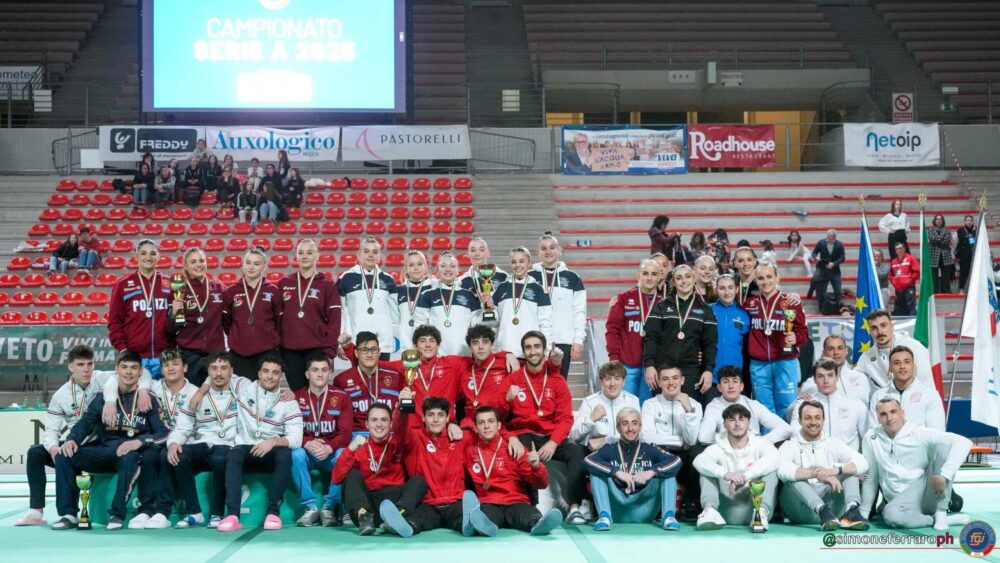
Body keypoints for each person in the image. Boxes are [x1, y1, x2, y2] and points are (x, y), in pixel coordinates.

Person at [16, 346, 139, 526]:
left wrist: (127, 393)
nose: (86, 369)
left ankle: (73, 511)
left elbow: (133, 374)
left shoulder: (103, 379)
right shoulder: (61, 395)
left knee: (69, 452)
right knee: (35, 453)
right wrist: (52, 448)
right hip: (75, 442)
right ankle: (37, 511)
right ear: (70, 367)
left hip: (100, 442)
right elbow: (51, 429)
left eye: (90, 364)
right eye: (80, 364)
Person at [51, 351, 168, 530]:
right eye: (124, 367)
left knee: (131, 457)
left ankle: (116, 514)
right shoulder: (103, 398)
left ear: (140, 373)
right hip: (103, 450)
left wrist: (139, 442)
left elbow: (164, 432)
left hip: (130, 454)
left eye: (133, 368)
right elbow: (85, 424)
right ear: (116, 370)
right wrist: (72, 440)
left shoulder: (149, 398)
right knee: (64, 455)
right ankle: (69, 514)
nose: (129, 372)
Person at [104, 348, 199, 529]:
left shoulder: (195, 392)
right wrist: (142, 389)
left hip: (185, 441)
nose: (171, 368)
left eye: (175, 364)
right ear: (161, 370)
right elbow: (122, 377)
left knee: (165, 455)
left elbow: (187, 427)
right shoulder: (153, 386)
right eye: (166, 365)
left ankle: (163, 511)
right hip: (158, 438)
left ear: (185, 367)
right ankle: (146, 510)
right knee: (148, 455)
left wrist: (173, 441)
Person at [212, 355, 303, 532]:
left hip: (270, 450)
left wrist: (274, 441)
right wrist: (201, 391)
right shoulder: (244, 387)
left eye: (275, 373)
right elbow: (216, 374)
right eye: (266, 371)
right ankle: (232, 516)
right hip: (246, 448)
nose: (270, 376)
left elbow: (296, 438)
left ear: (281, 376)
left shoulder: (289, 402)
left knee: (285, 454)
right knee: (234, 452)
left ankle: (273, 514)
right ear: (259, 373)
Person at [389, 394, 501, 537]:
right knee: (416, 520)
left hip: (455, 503)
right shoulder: (414, 439)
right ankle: (403, 526)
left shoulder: (460, 437)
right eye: (430, 415)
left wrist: (511, 438)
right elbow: (400, 429)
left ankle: (471, 525)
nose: (436, 420)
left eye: (441, 415)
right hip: (428, 504)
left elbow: (487, 431)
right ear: (423, 417)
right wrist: (402, 407)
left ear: (448, 418)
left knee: (463, 517)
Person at [505, 333, 588, 523]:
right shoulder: (514, 379)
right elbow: (501, 416)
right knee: (523, 450)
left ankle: (575, 507)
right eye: (528, 347)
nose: (532, 351)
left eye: (536, 347)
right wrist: (507, 400)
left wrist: (553, 442)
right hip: (524, 433)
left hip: (551, 436)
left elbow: (566, 418)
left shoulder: (557, 380)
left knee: (575, 452)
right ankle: (531, 509)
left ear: (544, 351)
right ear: (523, 352)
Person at [860, 397, 972, 530]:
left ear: (902, 413)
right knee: (891, 516)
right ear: (878, 418)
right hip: (899, 502)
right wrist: (863, 514)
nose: (889, 418)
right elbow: (871, 478)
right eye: (883, 414)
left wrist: (944, 475)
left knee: (943, 446)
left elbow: (964, 442)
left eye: (893, 412)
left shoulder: (919, 433)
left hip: (926, 491)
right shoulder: (871, 438)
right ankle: (934, 519)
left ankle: (941, 514)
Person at [164, 352, 239, 529]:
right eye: (214, 368)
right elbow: (183, 427)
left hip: (228, 445)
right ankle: (194, 513)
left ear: (231, 371)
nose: (218, 373)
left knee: (221, 459)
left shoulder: (241, 392)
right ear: (208, 372)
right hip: (203, 443)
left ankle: (217, 513)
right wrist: (173, 443)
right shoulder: (196, 397)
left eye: (223, 368)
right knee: (179, 456)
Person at [464, 406, 563, 536]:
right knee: (486, 516)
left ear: (499, 425)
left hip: (516, 501)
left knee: (529, 515)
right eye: (481, 423)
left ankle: (539, 523)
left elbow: (541, 484)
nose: (486, 426)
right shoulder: (470, 452)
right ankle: (484, 527)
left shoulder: (515, 448)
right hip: (489, 502)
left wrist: (536, 466)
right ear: (476, 428)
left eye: (491, 421)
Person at [331, 403, 428, 535]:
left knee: (419, 481)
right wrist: (350, 449)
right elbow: (336, 479)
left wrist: (400, 410)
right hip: (368, 504)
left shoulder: (399, 443)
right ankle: (364, 518)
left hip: (394, 502)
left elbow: (404, 428)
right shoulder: (359, 447)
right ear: (366, 424)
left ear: (391, 423)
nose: (379, 424)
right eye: (374, 420)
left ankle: (397, 516)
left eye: (384, 420)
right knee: (351, 474)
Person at [585, 408, 683, 531]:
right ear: (618, 428)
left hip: (644, 509)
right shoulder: (610, 449)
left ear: (640, 427)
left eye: (634, 423)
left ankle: (669, 516)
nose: (630, 428)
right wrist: (616, 472)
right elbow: (588, 460)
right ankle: (603, 516)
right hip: (616, 510)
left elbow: (676, 461)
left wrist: (651, 472)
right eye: (625, 423)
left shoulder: (649, 449)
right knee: (597, 472)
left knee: (667, 472)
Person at [778, 401, 869, 530]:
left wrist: (836, 471)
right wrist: (818, 474)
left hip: (833, 514)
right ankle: (821, 510)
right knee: (792, 477)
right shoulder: (790, 445)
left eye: (817, 418)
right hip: (801, 511)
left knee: (850, 470)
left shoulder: (834, 444)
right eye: (808, 418)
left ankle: (852, 511)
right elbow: (781, 469)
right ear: (799, 420)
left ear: (823, 420)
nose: (813, 422)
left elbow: (863, 462)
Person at [693, 403, 780, 531]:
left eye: (742, 419)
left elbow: (774, 458)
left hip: (753, 507)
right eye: (732, 420)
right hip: (726, 509)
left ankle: (760, 514)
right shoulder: (717, 447)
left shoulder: (760, 444)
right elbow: (698, 461)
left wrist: (745, 476)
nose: (737, 424)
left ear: (749, 423)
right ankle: (710, 510)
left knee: (771, 470)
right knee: (706, 469)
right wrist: (727, 475)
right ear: (725, 424)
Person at [292, 353, 353, 527]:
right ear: (307, 374)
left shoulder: (342, 397)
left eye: (324, 370)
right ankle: (310, 508)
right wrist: (306, 443)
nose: (320, 374)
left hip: (330, 453)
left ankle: (329, 507)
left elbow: (346, 433)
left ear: (330, 373)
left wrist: (329, 447)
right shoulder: (297, 397)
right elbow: (291, 430)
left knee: (344, 454)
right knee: (295, 454)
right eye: (315, 370)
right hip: (308, 453)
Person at [642, 265, 718, 405]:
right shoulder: (661, 307)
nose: (684, 281)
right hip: (663, 369)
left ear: (694, 278)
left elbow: (710, 344)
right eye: (679, 278)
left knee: (689, 412)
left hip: (690, 370)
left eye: (688, 277)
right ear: (673, 282)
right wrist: (649, 365)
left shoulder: (705, 310)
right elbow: (651, 338)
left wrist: (708, 370)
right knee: (663, 413)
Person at [640, 365, 704, 521]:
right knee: (655, 449)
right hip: (664, 454)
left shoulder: (694, 405)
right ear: (660, 382)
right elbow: (647, 437)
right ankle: (658, 505)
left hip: (685, 457)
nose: (670, 383)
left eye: (675, 378)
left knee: (698, 452)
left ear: (682, 380)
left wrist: (689, 411)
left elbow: (691, 440)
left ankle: (691, 504)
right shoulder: (650, 404)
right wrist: (677, 441)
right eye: (665, 379)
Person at [743, 263, 807, 416]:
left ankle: (786, 439)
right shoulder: (750, 304)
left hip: (785, 361)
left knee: (787, 406)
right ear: (756, 281)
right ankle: (767, 439)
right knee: (764, 408)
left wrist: (795, 338)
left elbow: (803, 332)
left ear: (777, 277)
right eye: (761, 278)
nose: (765, 282)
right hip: (759, 364)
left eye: (769, 277)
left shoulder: (790, 302)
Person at [278, 239, 342, 391]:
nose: (304, 256)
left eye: (309, 252)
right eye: (301, 253)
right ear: (296, 257)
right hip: (289, 351)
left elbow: (334, 321)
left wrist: (329, 352)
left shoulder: (327, 285)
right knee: (298, 394)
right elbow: (277, 319)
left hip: (317, 350)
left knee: (317, 392)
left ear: (317, 256)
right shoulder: (284, 283)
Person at [108, 239, 173, 378]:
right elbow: (114, 322)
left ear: (159, 256)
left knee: (163, 399)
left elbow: (175, 318)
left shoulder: (169, 284)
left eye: (152, 253)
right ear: (136, 256)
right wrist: (123, 349)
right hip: (135, 358)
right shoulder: (123, 285)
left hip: (164, 358)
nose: (148, 257)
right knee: (136, 398)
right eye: (143, 253)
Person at [605, 259, 663, 402]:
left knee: (647, 409)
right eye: (645, 273)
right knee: (625, 407)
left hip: (652, 366)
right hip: (627, 364)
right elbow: (612, 330)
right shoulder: (623, 299)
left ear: (659, 277)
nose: (649, 278)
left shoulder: (664, 303)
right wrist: (614, 359)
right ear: (638, 276)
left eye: (653, 274)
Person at [529, 233, 587, 377]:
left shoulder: (573, 278)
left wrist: (578, 340)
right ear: (538, 253)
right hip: (535, 340)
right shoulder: (530, 277)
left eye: (552, 247)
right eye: (543, 248)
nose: (548, 252)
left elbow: (579, 311)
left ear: (559, 250)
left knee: (558, 384)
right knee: (534, 384)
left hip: (563, 339)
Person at [168, 248, 226, 386]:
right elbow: (169, 330)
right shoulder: (178, 291)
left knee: (216, 398)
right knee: (191, 398)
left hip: (215, 355)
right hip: (189, 355)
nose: (198, 264)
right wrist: (174, 313)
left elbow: (228, 321)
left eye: (201, 260)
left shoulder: (219, 288)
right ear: (185, 266)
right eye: (193, 261)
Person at [221, 247, 282, 380]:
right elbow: (226, 322)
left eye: (256, 264)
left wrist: (269, 338)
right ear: (243, 264)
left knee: (267, 394)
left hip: (267, 353)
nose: (251, 267)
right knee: (242, 395)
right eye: (248, 263)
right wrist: (238, 336)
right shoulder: (231, 291)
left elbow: (279, 322)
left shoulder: (273, 291)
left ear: (264, 266)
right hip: (239, 355)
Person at [785, 359, 868, 451]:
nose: (826, 381)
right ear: (814, 379)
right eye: (820, 376)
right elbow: (795, 437)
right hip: (814, 462)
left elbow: (868, 439)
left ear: (837, 377)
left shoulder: (856, 405)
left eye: (830, 375)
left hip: (847, 462)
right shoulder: (803, 404)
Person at [339, 236, 399, 360]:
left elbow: (394, 313)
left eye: (375, 252)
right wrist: (340, 340)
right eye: (366, 251)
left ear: (379, 255)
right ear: (359, 254)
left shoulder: (388, 280)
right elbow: (341, 312)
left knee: (382, 378)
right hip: (357, 342)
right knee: (360, 378)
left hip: (382, 343)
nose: (370, 255)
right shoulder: (346, 278)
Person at [698, 366, 792, 445]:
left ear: (742, 386)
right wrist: (733, 440)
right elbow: (703, 437)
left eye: (735, 381)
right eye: (726, 382)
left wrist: (759, 442)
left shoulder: (753, 404)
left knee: (786, 445)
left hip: (754, 449)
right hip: (726, 451)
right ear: (719, 387)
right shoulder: (713, 406)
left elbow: (785, 429)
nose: (731, 386)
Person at [332, 332, 405, 430]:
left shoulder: (396, 377)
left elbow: (405, 412)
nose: (369, 355)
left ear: (379, 352)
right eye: (365, 350)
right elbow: (338, 418)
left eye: (373, 350)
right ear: (356, 353)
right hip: (357, 436)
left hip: (389, 435)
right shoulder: (341, 380)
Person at [414, 252, 481, 355]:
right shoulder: (427, 295)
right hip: (436, 355)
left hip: (464, 355)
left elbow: (477, 326)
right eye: (443, 266)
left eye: (452, 266)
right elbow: (419, 325)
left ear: (457, 270)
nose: (448, 269)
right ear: (437, 270)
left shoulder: (469, 295)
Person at [493, 246, 552, 358]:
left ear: (529, 263)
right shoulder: (501, 288)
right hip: (505, 349)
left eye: (522, 261)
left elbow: (546, 323)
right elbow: (494, 321)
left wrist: (546, 348)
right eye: (514, 262)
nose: (517, 265)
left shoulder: (538, 289)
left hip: (530, 351)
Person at [868, 346, 944, 431]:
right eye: (897, 363)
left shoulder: (929, 394)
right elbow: (873, 432)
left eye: (907, 362)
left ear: (914, 366)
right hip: (886, 444)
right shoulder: (878, 396)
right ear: (890, 368)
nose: (902, 366)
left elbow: (937, 433)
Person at [855, 309, 934, 391]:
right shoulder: (866, 357)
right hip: (880, 402)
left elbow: (926, 385)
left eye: (883, 325)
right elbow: (855, 382)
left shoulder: (915, 348)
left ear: (892, 327)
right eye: (874, 328)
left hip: (912, 400)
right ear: (870, 332)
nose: (880, 332)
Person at [570, 362, 640, 452]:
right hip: (599, 454)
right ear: (601, 382)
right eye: (608, 379)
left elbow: (639, 434)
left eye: (617, 379)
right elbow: (573, 435)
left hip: (627, 451)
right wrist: (591, 419)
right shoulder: (589, 402)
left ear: (624, 381)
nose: (612, 384)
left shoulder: (632, 401)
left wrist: (605, 440)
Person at [460, 324, 517, 425]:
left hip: (497, 424)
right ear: (470, 347)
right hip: (469, 425)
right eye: (475, 343)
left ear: (492, 344)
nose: (481, 347)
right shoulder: (464, 368)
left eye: (485, 342)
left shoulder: (505, 364)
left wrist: (508, 354)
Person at [794, 335, 871, 406]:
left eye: (840, 348)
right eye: (831, 349)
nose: (836, 352)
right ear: (824, 353)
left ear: (846, 351)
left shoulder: (861, 378)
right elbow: (792, 411)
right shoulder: (811, 383)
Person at [709, 274, 749, 402]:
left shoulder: (745, 315)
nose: (726, 292)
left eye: (730, 287)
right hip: (711, 377)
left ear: (736, 289)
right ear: (716, 289)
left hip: (735, 378)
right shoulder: (707, 310)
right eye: (722, 288)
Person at [396, 250, 435, 353]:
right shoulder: (399, 290)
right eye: (411, 265)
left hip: (428, 345)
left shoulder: (434, 287)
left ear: (425, 266)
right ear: (406, 269)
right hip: (406, 344)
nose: (416, 268)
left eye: (419, 264)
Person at [459, 236, 510, 308]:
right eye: (473, 250)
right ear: (467, 254)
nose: (477, 254)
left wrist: (494, 303)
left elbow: (508, 303)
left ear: (488, 253)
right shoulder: (461, 281)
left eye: (481, 250)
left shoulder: (503, 276)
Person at [810, 229, 845, 313]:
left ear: (835, 237)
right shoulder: (821, 242)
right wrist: (816, 258)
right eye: (828, 238)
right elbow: (813, 253)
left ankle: (837, 309)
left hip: (835, 271)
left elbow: (842, 258)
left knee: (838, 290)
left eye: (831, 238)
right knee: (821, 291)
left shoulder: (839, 244)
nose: (829, 239)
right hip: (822, 270)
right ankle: (821, 310)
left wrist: (834, 263)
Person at [928, 214, 955, 294]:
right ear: (934, 220)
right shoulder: (930, 230)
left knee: (946, 276)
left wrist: (937, 241)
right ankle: (934, 292)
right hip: (933, 255)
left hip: (945, 255)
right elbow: (931, 239)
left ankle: (946, 291)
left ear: (943, 221)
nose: (939, 220)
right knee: (934, 276)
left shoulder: (947, 230)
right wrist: (941, 241)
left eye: (940, 219)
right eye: (937, 219)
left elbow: (947, 240)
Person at [955, 214, 977, 292]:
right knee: (963, 274)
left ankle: (974, 290)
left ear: (973, 221)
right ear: (964, 222)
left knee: (975, 274)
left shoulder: (977, 230)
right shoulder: (959, 231)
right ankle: (961, 289)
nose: (969, 222)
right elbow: (955, 244)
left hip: (975, 256)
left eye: (970, 220)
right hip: (964, 256)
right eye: (967, 220)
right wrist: (956, 255)